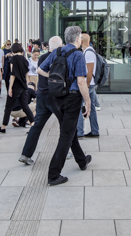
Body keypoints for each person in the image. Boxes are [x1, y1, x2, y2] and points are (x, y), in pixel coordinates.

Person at [37, 26, 92, 186]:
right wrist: (87, 101)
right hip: (72, 99)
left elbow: (40, 70)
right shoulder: (78, 55)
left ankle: (82, 161)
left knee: (69, 130)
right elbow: (81, 81)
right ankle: (53, 174)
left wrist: (56, 80)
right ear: (77, 39)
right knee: (66, 135)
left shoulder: (57, 52)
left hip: (57, 98)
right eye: (80, 37)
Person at [0, 44, 34, 133]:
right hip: (23, 86)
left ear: (13, 50)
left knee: (8, 107)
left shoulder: (13, 59)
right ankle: (33, 124)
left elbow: (13, 74)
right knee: (25, 106)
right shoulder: (25, 60)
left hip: (15, 86)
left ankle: (3, 127)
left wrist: (10, 88)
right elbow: (26, 74)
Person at [77, 33, 100, 137]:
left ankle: (79, 132)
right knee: (92, 107)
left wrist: (85, 86)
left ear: (81, 41)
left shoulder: (88, 52)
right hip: (90, 84)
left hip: (89, 84)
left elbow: (89, 71)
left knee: (79, 106)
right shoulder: (87, 51)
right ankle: (95, 131)